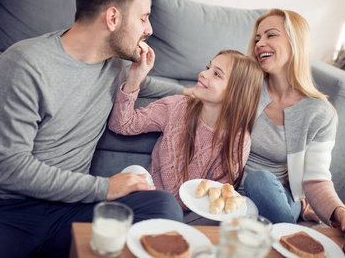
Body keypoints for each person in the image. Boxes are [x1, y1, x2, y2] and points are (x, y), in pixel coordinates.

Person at [0, 0, 188, 258]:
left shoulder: (113, 65)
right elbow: (9, 169)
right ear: (113, 18)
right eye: (143, 18)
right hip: (2, 211)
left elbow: (147, 84)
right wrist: (105, 187)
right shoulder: (25, 65)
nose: (149, 30)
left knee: (162, 205)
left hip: (69, 210)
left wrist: (195, 92)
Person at [108, 49, 264, 209]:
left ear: (236, 93)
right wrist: (134, 80)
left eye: (216, 74)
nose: (204, 73)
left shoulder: (239, 140)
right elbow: (121, 124)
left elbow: (215, 195)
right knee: (134, 171)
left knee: (248, 210)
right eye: (207, 67)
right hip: (153, 197)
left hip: (195, 211)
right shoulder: (177, 106)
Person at [241, 8, 345, 230]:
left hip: (276, 196)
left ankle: (289, 236)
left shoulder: (319, 113)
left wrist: (340, 211)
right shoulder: (246, 87)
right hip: (233, 192)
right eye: (257, 38)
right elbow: (196, 95)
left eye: (271, 35)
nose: (260, 43)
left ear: (295, 41)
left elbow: (316, 180)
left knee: (259, 181)